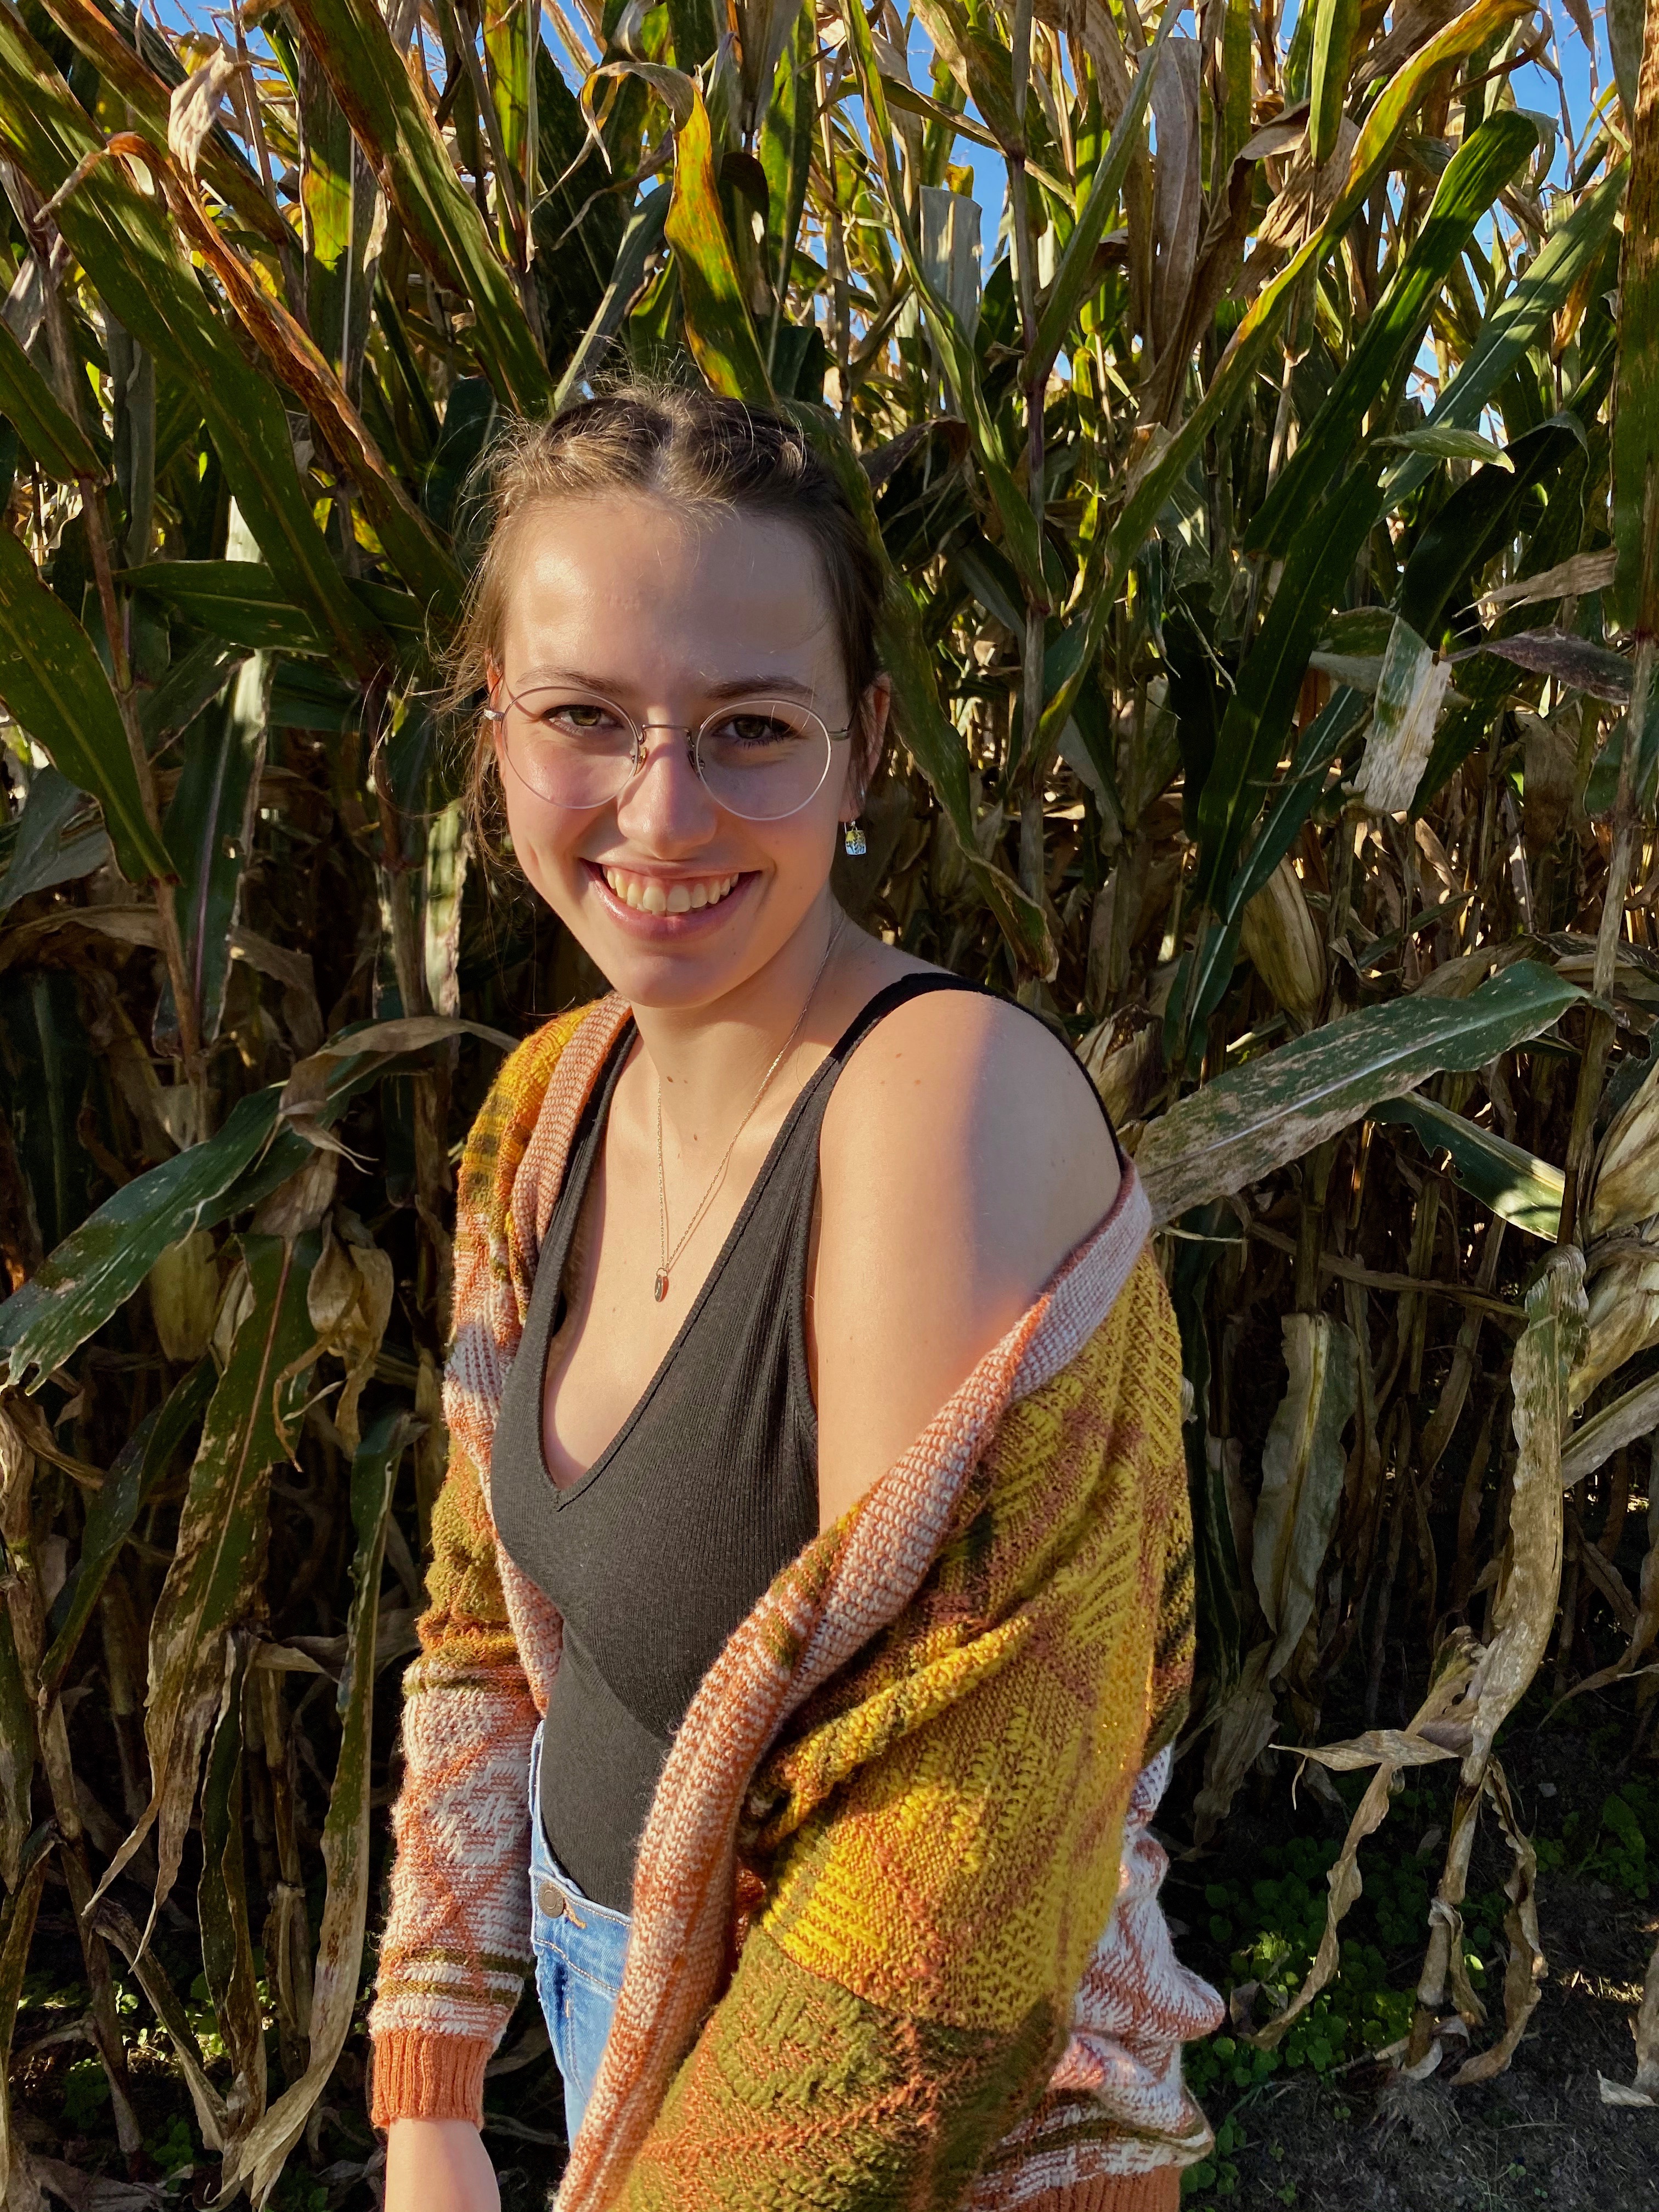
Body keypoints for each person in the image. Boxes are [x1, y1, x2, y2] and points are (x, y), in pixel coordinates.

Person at [369, 383, 1220, 2212]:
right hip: (626, 2047)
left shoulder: (945, 1108)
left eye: (751, 727)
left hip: (933, 2134)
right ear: (492, 736)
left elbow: (961, 1873)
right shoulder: (543, 1112)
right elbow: (474, 1623)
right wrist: (432, 2086)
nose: (660, 806)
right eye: (585, 717)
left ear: (866, 745)